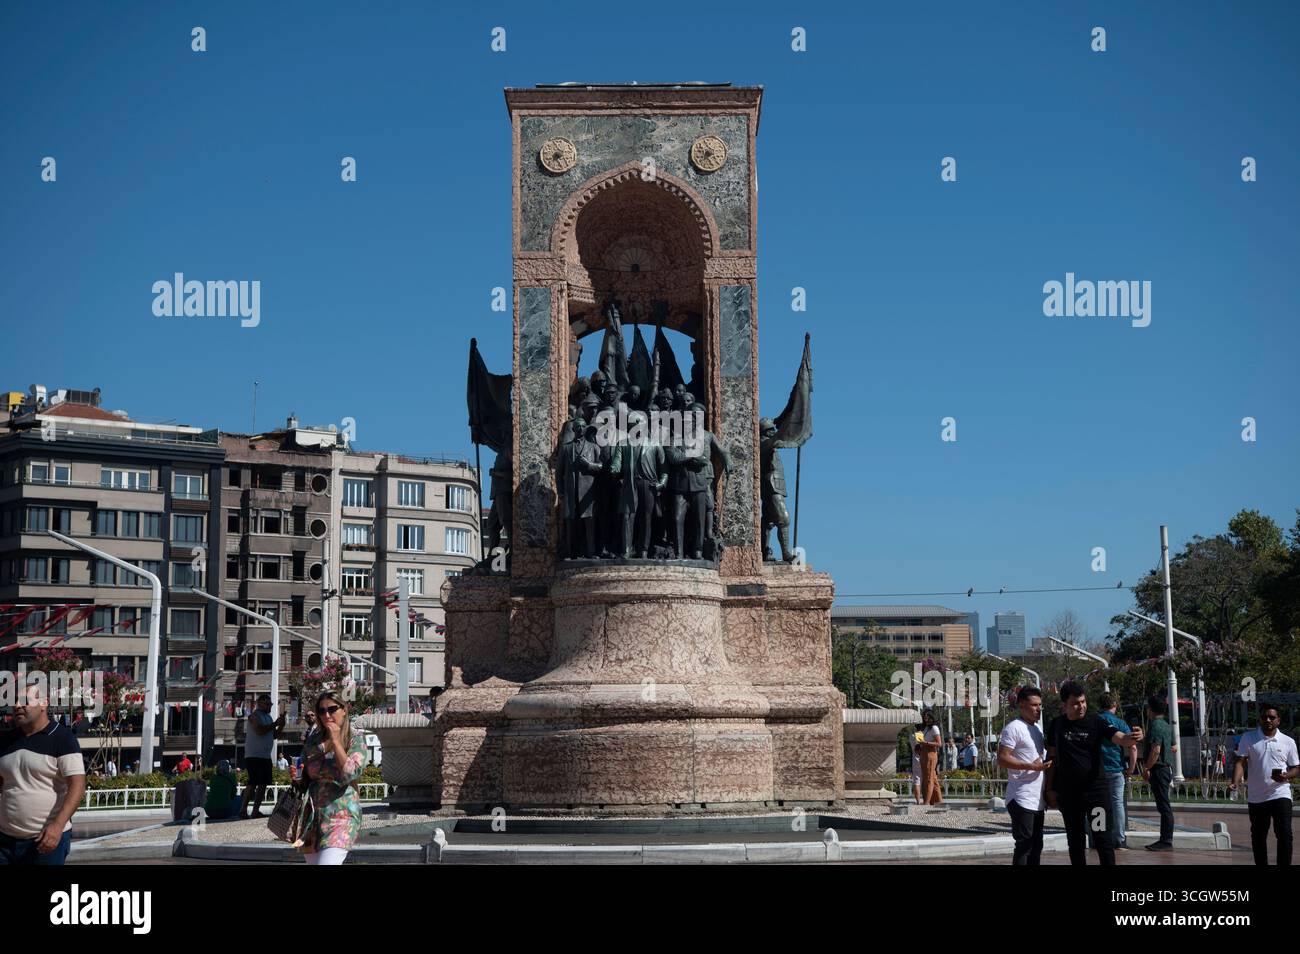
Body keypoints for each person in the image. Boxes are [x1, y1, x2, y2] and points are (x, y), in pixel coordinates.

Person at [1044, 681, 1143, 866]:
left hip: (1096, 794)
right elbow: (1051, 758)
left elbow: (1119, 737)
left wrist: (1132, 738)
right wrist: (1049, 788)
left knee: (1102, 839)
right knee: (1075, 841)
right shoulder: (1056, 726)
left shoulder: (1096, 722)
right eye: (1075, 703)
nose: (1081, 706)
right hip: (1070, 796)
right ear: (1064, 705)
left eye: (1083, 701)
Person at [0, 683, 86, 865]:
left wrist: (57, 826)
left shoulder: (63, 738)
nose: (17, 705)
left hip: (45, 842)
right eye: (14, 701)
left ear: (44, 703)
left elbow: (77, 785)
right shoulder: (6, 740)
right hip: (5, 842)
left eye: (24, 700)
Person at [298, 690, 369, 865]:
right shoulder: (313, 740)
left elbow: (351, 773)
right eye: (321, 711)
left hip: (341, 816)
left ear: (344, 709)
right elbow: (306, 773)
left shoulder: (355, 739)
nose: (326, 715)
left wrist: (336, 742)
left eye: (331, 709)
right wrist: (297, 777)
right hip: (313, 818)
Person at [1230, 704, 1298, 865]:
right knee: (1258, 836)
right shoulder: (1249, 737)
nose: (1268, 720)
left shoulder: (1288, 741)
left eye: (1272, 717)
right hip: (1256, 797)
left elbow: (1296, 767)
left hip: (1280, 793)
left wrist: (1286, 775)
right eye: (1264, 717)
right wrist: (1235, 782)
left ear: (1278, 721)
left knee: (1285, 834)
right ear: (1260, 719)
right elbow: (1241, 762)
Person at [998, 686, 1052, 865]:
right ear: (1021, 705)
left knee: (1037, 846)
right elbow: (1002, 758)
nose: (1038, 709)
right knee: (1025, 846)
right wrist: (1031, 766)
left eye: (1040, 705)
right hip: (1020, 797)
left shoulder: (1037, 729)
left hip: (1037, 799)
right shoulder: (1013, 728)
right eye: (1034, 705)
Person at [1096, 693, 1135, 850]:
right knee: (1117, 803)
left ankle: (1097, 837)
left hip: (1097, 771)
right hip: (1116, 768)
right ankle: (1119, 839)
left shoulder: (1095, 720)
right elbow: (1132, 747)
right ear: (1115, 705)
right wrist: (1131, 769)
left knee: (1097, 804)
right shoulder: (1120, 723)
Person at [1140, 695, 1176, 852]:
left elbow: (1156, 750)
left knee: (1164, 807)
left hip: (1159, 770)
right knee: (1164, 805)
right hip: (1166, 768)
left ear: (1150, 710)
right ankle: (1165, 839)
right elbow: (1174, 747)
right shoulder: (1167, 726)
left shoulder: (1155, 725)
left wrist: (1147, 768)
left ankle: (1166, 840)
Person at [242, 694, 285, 819]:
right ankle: (243, 810)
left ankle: (256, 810)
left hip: (266, 756)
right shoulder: (254, 716)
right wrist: (275, 723)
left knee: (263, 783)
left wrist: (281, 725)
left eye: (271, 704)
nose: (270, 706)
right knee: (253, 782)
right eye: (267, 704)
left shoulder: (269, 718)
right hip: (254, 755)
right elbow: (260, 730)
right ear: (259, 703)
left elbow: (274, 735)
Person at [911, 710, 943, 805]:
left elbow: (939, 743)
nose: (926, 718)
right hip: (923, 753)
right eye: (924, 716)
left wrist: (926, 743)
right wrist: (919, 745)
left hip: (931, 753)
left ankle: (926, 802)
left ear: (931, 717)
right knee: (932, 778)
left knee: (928, 778)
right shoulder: (925, 729)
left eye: (927, 716)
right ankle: (938, 801)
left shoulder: (934, 728)